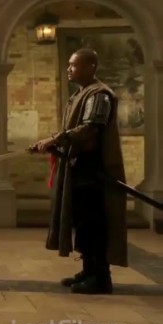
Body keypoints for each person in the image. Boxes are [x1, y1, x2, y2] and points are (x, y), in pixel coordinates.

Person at [28, 48, 127, 295]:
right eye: (69, 64)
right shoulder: (81, 94)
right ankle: (88, 270)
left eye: (74, 65)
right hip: (80, 170)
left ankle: (100, 278)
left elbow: (90, 128)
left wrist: (55, 139)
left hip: (93, 171)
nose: (69, 69)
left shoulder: (99, 95)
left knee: (94, 225)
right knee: (83, 223)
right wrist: (53, 143)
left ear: (90, 67)